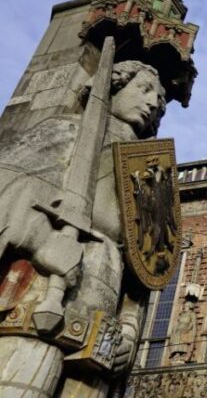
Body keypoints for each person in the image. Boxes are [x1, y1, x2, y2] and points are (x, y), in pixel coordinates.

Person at [0, 59, 167, 397]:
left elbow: (146, 270)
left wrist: (131, 330)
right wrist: (38, 237)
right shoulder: (64, 129)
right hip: (43, 301)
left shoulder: (149, 173)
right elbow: (6, 186)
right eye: (144, 90)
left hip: (101, 332)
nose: (152, 105)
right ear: (114, 86)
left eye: (160, 103)